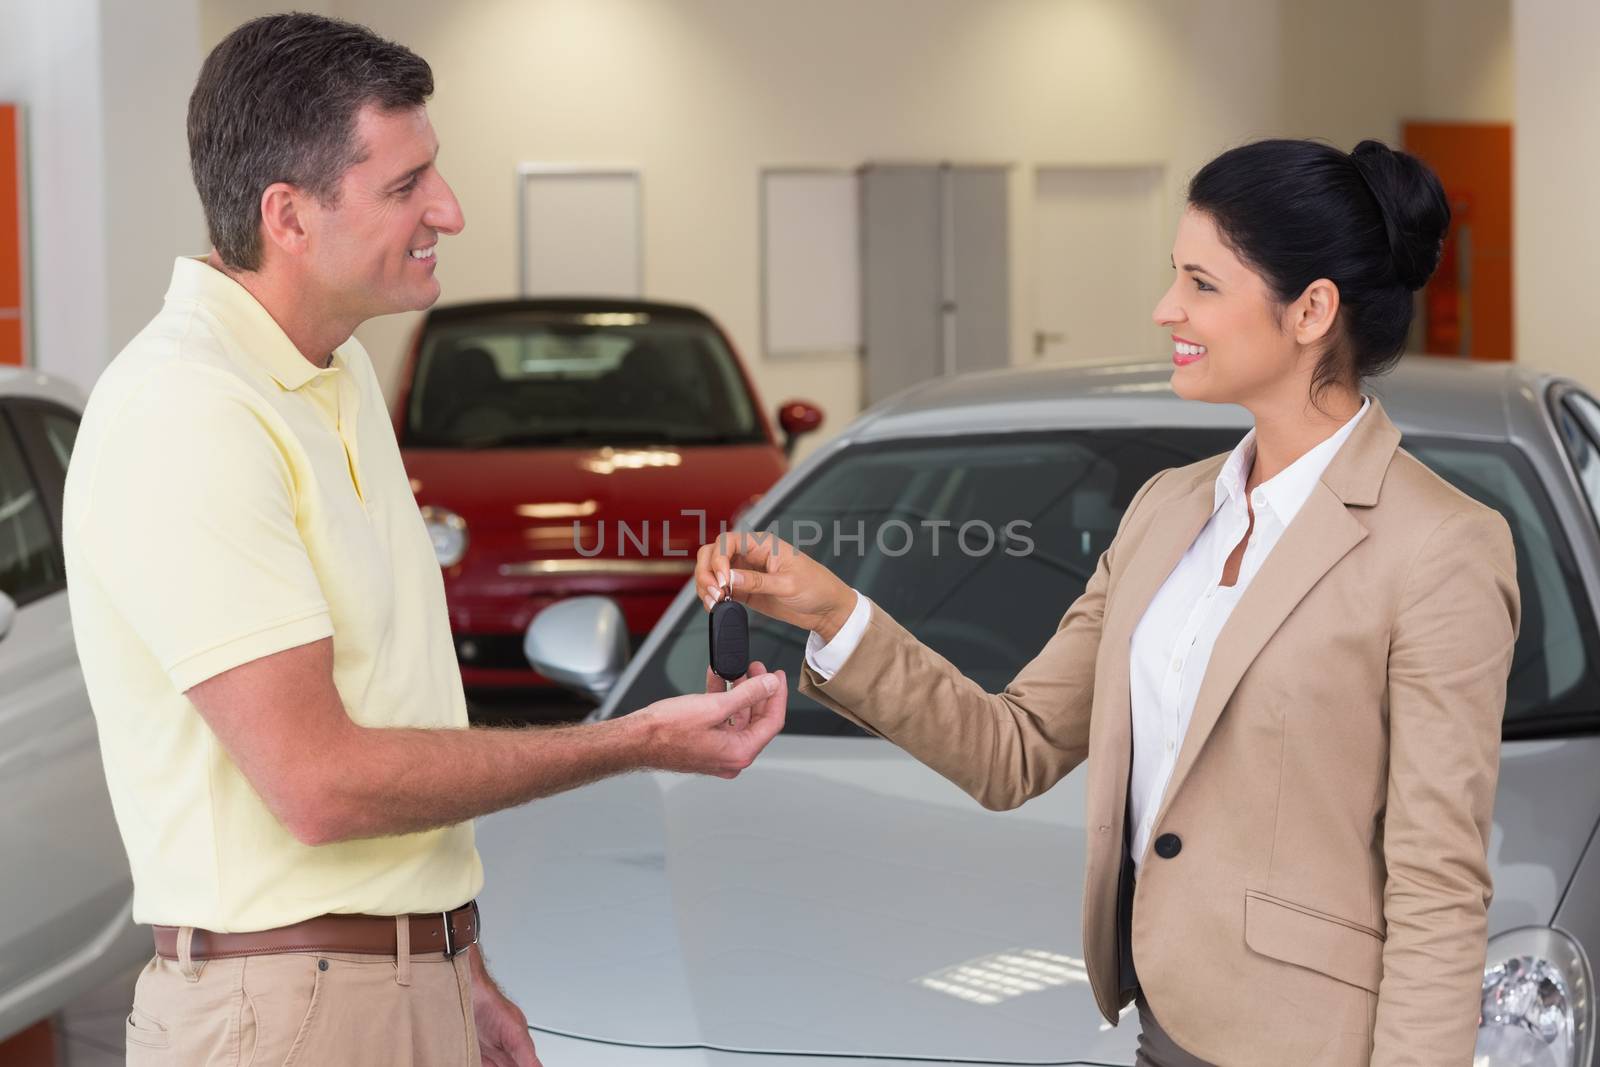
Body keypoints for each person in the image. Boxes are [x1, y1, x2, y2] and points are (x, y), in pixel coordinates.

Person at [695, 139, 1519, 1067]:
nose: (1168, 308)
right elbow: (1012, 747)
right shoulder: (1169, 509)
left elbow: (1438, 888)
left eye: (1202, 283)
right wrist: (832, 609)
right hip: (1161, 1037)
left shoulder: (1442, 545)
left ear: (1312, 309)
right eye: (1176, 276)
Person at [62, 14, 786, 1067]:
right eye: (406, 186)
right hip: (283, 1015)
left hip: (393, 978)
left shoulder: (337, 370)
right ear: (289, 217)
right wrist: (636, 739)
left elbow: (395, 701)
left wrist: (456, 956)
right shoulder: (187, 411)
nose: (446, 208)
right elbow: (320, 782)